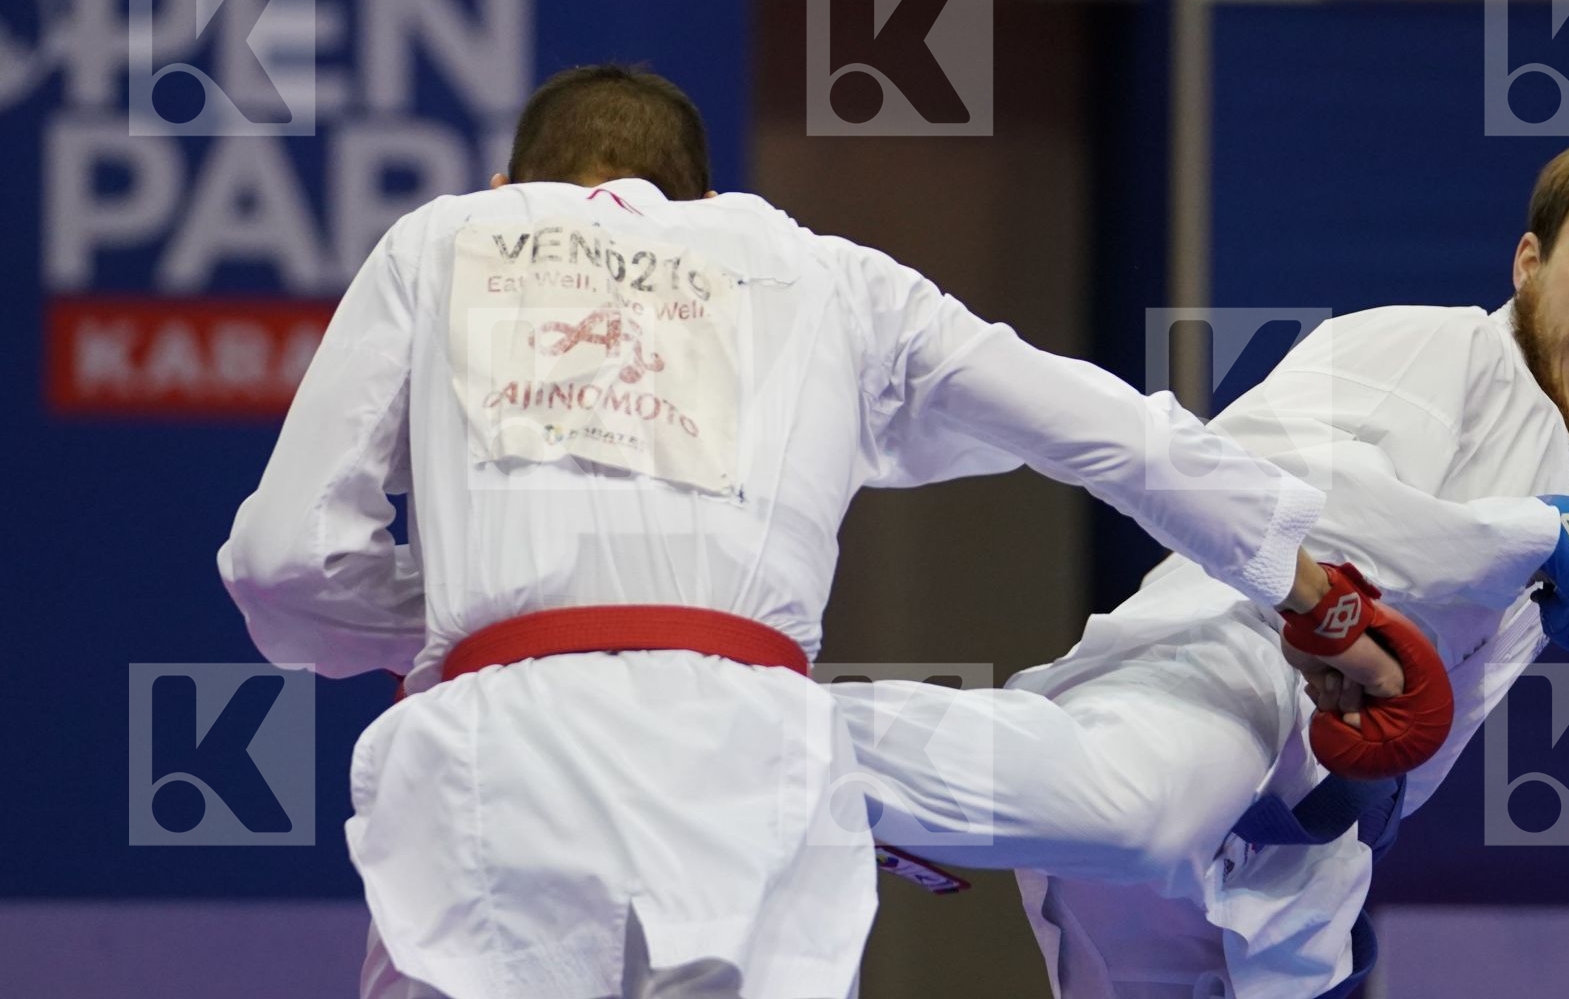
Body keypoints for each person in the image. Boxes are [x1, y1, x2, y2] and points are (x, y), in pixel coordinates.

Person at [216, 64, 1408, 999]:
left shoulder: (445, 242)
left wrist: (467, 622)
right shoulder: (822, 273)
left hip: (499, 755)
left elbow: (283, 558)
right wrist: (1318, 598)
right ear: (703, 198)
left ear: (508, 189)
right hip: (752, 763)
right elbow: (1109, 432)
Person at [831, 126, 1569, 998]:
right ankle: (792, 736)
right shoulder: (1437, 349)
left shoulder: (1557, 499)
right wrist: (1529, 536)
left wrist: (1328, 910)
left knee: (1150, 839)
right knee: (1138, 815)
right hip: (1208, 688)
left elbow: (1403, 733)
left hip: (1257, 874)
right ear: (1530, 264)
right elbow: (1265, 481)